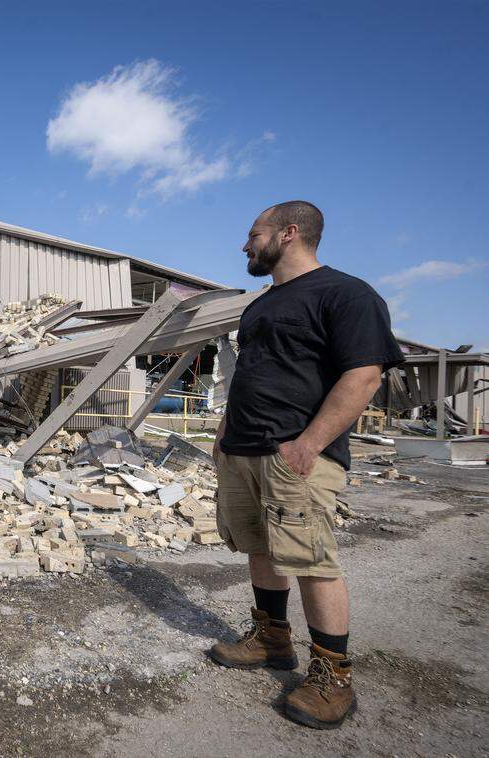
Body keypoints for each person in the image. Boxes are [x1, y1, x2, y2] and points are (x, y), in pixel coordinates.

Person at [208, 201, 403, 729]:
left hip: (295, 454)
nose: (246, 245)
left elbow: (363, 377)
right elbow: (250, 373)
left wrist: (308, 445)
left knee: (312, 558)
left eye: (254, 233)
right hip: (245, 449)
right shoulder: (260, 306)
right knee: (258, 545)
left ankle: (333, 676)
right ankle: (272, 637)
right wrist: (225, 432)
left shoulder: (347, 294)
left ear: (288, 233)